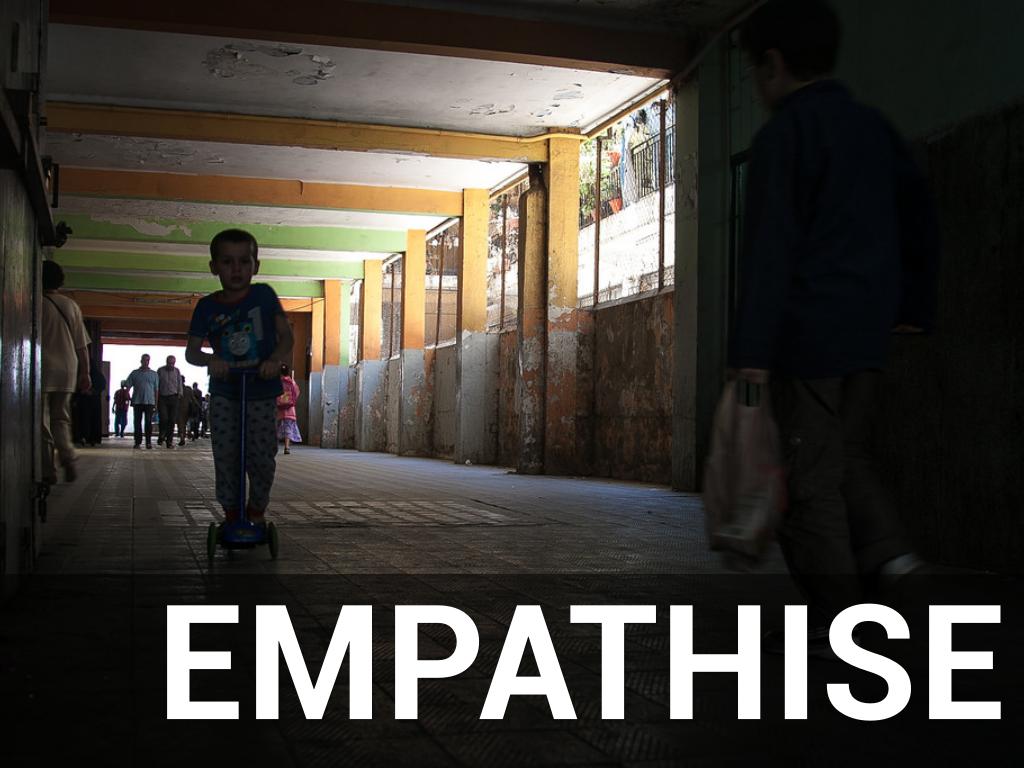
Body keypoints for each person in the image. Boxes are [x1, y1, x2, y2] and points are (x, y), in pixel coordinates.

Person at [732, 0, 939, 649]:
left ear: (772, 65)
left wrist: (751, 352)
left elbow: (770, 252)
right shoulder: (874, 128)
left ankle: (841, 616)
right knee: (842, 454)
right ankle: (893, 558)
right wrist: (913, 307)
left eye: (754, 72)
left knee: (806, 481)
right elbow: (920, 218)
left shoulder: (782, 139)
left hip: (808, 337)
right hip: (870, 332)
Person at [185, 229, 293, 524]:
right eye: (227, 261)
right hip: (225, 393)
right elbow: (192, 352)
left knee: (261, 456)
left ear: (256, 266)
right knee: (226, 456)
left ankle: (256, 510)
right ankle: (232, 513)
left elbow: (286, 337)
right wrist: (211, 360)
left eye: (244, 261)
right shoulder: (206, 307)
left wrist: (274, 359)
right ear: (214, 267)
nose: (236, 269)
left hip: (262, 391)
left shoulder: (264, 296)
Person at [40, 260, 91, 484]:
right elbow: (82, 345)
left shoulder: (34, 302)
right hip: (68, 368)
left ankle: (47, 469)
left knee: (42, 420)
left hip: (43, 367)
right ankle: (67, 457)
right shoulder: (71, 305)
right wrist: (85, 373)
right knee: (61, 418)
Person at [126, 354, 158, 449]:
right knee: (137, 422)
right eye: (144, 360)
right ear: (141, 361)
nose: (146, 362)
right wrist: (128, 397)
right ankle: (137, 442)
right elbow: (128, 386)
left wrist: (156, 403)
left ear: (149, 361)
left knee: (148, 422)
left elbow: (156, 390)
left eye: (147, 360)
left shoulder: (154, 374)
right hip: (137, 401)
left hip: (149, 402)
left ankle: (148, 442)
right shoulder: (134, 373)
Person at [156, 354, 183, 448]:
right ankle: (162, 435)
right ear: (166, 362)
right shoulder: (160, 370)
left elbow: (179, 383)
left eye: (172, 363)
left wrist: (180, 394)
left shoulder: (177, 371)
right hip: (162, 397)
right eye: (169, 363)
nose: (171, 365)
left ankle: (169, 441)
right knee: (164, 418)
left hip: (174, 397)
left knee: (172, 420)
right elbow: (156, 384)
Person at [275, 364, 302, 454]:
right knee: (288, 427)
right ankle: (287, 447)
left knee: (276, 427)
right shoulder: (291, 382)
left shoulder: (278, 382)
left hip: (279, 408)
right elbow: (296, 392)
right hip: (290, 409)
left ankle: (274, 445)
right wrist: (292, 401)